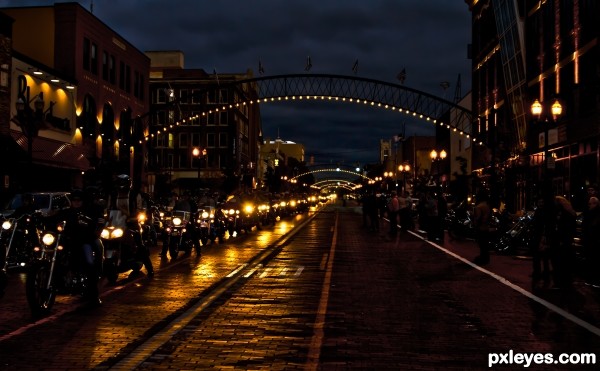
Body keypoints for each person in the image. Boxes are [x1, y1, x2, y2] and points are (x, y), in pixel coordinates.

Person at [53, 189, 104, 306]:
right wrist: (40, 217)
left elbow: (100, 222)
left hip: (85, 240)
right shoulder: (67, 212)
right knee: (57, 255)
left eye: (78, 200)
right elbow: (55, 218)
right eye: (74, 200)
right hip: (69, 241)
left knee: (90, 263)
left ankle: (94, 295)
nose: (76, 202)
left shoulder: (91, 210)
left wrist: (94, 229)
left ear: (83, 201)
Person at [582, 196, 600, 287]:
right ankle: (591, 279)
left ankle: (595, 280)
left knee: (595, 262)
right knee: (591, 261)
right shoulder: (590, 214)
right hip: (590, 241)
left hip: (595, 242)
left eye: (590, 203)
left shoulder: (596, 215)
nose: (589, 205)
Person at [473, 190, 492, 265]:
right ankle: (486, 259)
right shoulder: (487, 205)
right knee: (485, 246)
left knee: (482, 245)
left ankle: (482, 259)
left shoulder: (479, 207)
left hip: (480, 228)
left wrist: (476, 226)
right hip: (486, 227)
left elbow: (478, 218)